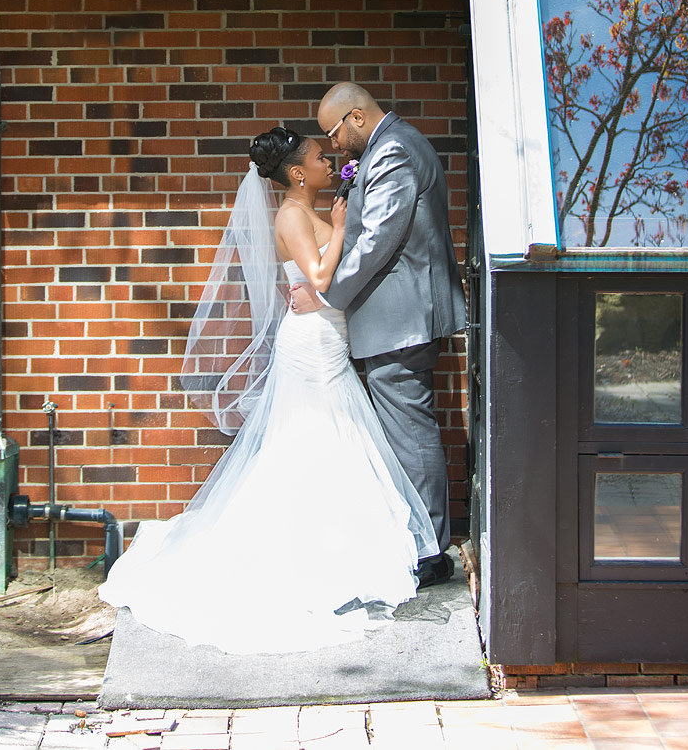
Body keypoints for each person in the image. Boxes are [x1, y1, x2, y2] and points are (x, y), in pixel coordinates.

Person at [98, 126, 440, 655]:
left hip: (328, 336)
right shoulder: (291, 215)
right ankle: (301, 547)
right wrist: (346, 225)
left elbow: (322, 282)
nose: (331, 164)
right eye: (321, 159)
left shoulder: (307, 211)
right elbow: (322, 277)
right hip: (312, 347)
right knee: (313, 440)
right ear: (298, 173)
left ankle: (334, 543)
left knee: (334, 441)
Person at [290, 84, 466, 589]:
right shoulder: (393, 146)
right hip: (397, 317)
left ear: (356, 117)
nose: (335, 144)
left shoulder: (393, 151)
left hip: (401, 318)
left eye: (334, 132)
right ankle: (419, 541)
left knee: (410, 433)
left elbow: (377, 240)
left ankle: (431, 552)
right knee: (404, 432)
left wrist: (325, 298)